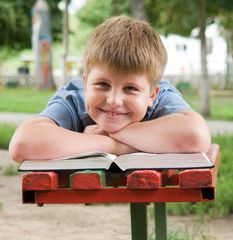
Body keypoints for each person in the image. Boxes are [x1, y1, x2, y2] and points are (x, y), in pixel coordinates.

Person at [9, 16, 211, 163]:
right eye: (102, 84)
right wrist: (114, 146)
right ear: (86, 83)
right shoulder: (74, 96)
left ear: (152, 95)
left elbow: (197, 135)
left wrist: (108, 134)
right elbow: (22, 144)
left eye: (130, 88)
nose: (114, 100)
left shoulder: (163, 95)